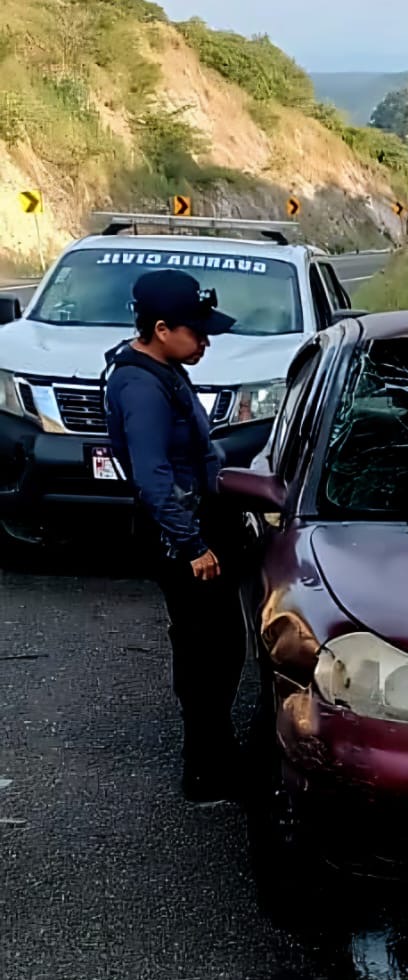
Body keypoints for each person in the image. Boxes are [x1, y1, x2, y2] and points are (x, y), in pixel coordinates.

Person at [104, 270, 244, 803]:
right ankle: (206, 770)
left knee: (220, 645)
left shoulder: (162, 367)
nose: (206, 341)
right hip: (179, 534)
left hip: (195, 522)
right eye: (197, 332)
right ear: (162, 329)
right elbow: (152, 476)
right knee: (206, 648)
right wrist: (192, 546)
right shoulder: (140, 386)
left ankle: (216, 753)